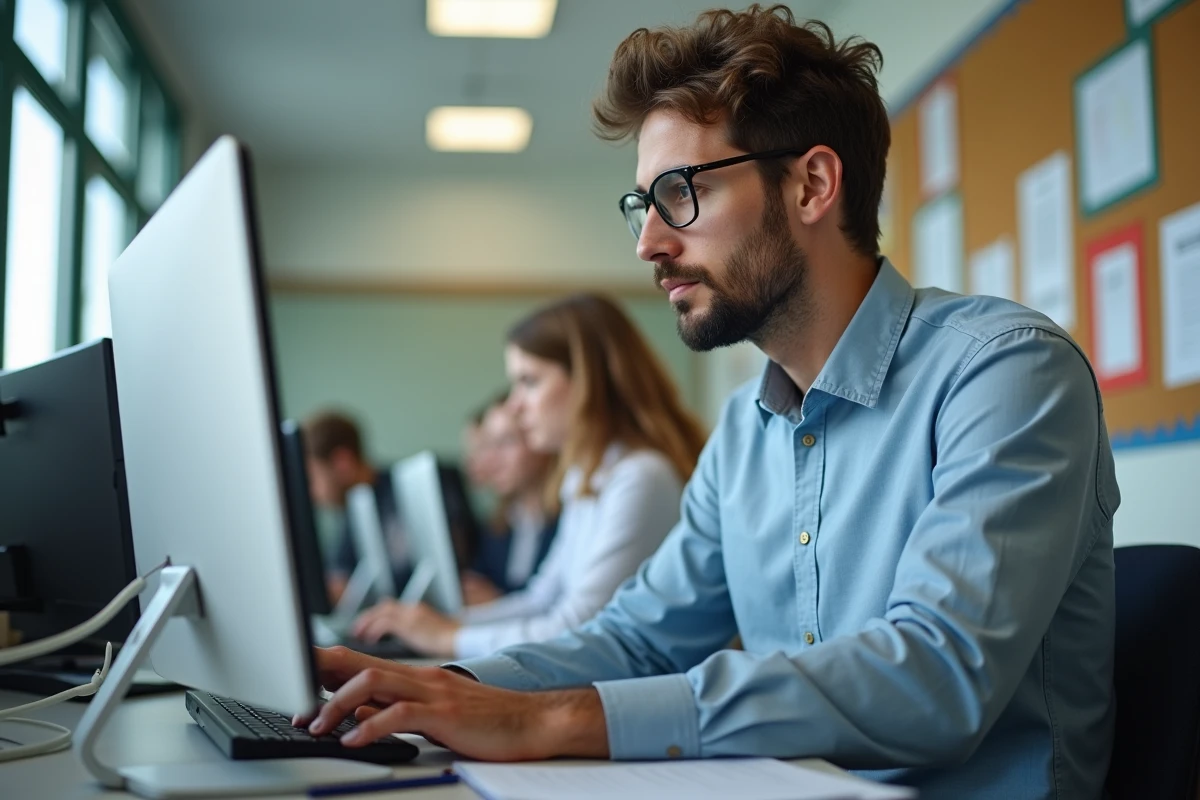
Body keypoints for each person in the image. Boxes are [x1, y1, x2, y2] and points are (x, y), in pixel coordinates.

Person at [298, 7, 1118, 799]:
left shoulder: (1005, 373)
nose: (649, 243)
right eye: (642, 205)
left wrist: (549, 719)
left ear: (812, 185)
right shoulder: (744, 430)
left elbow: (938, 679)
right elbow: (641, 639)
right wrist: (434, 685)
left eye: (681, 193)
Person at [349, 293, 707, 658]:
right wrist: (443, 623)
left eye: (530, 381)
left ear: (587, 382)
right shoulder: (586, 477)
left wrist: (447, 637)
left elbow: (579, 625)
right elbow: (541, 600)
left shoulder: (641, 477)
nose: (514, 405)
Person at [302, 411, 409, 604]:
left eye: (312, 480)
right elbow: (338, 576)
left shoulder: (405, 493)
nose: (312, 494)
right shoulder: (350, 513)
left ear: (342, 462)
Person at [461, 398, 559, 606]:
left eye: (506, 442)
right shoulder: (501, 525)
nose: (490, 460)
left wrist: (498, 602)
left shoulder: (572, 517)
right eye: (488, 445)